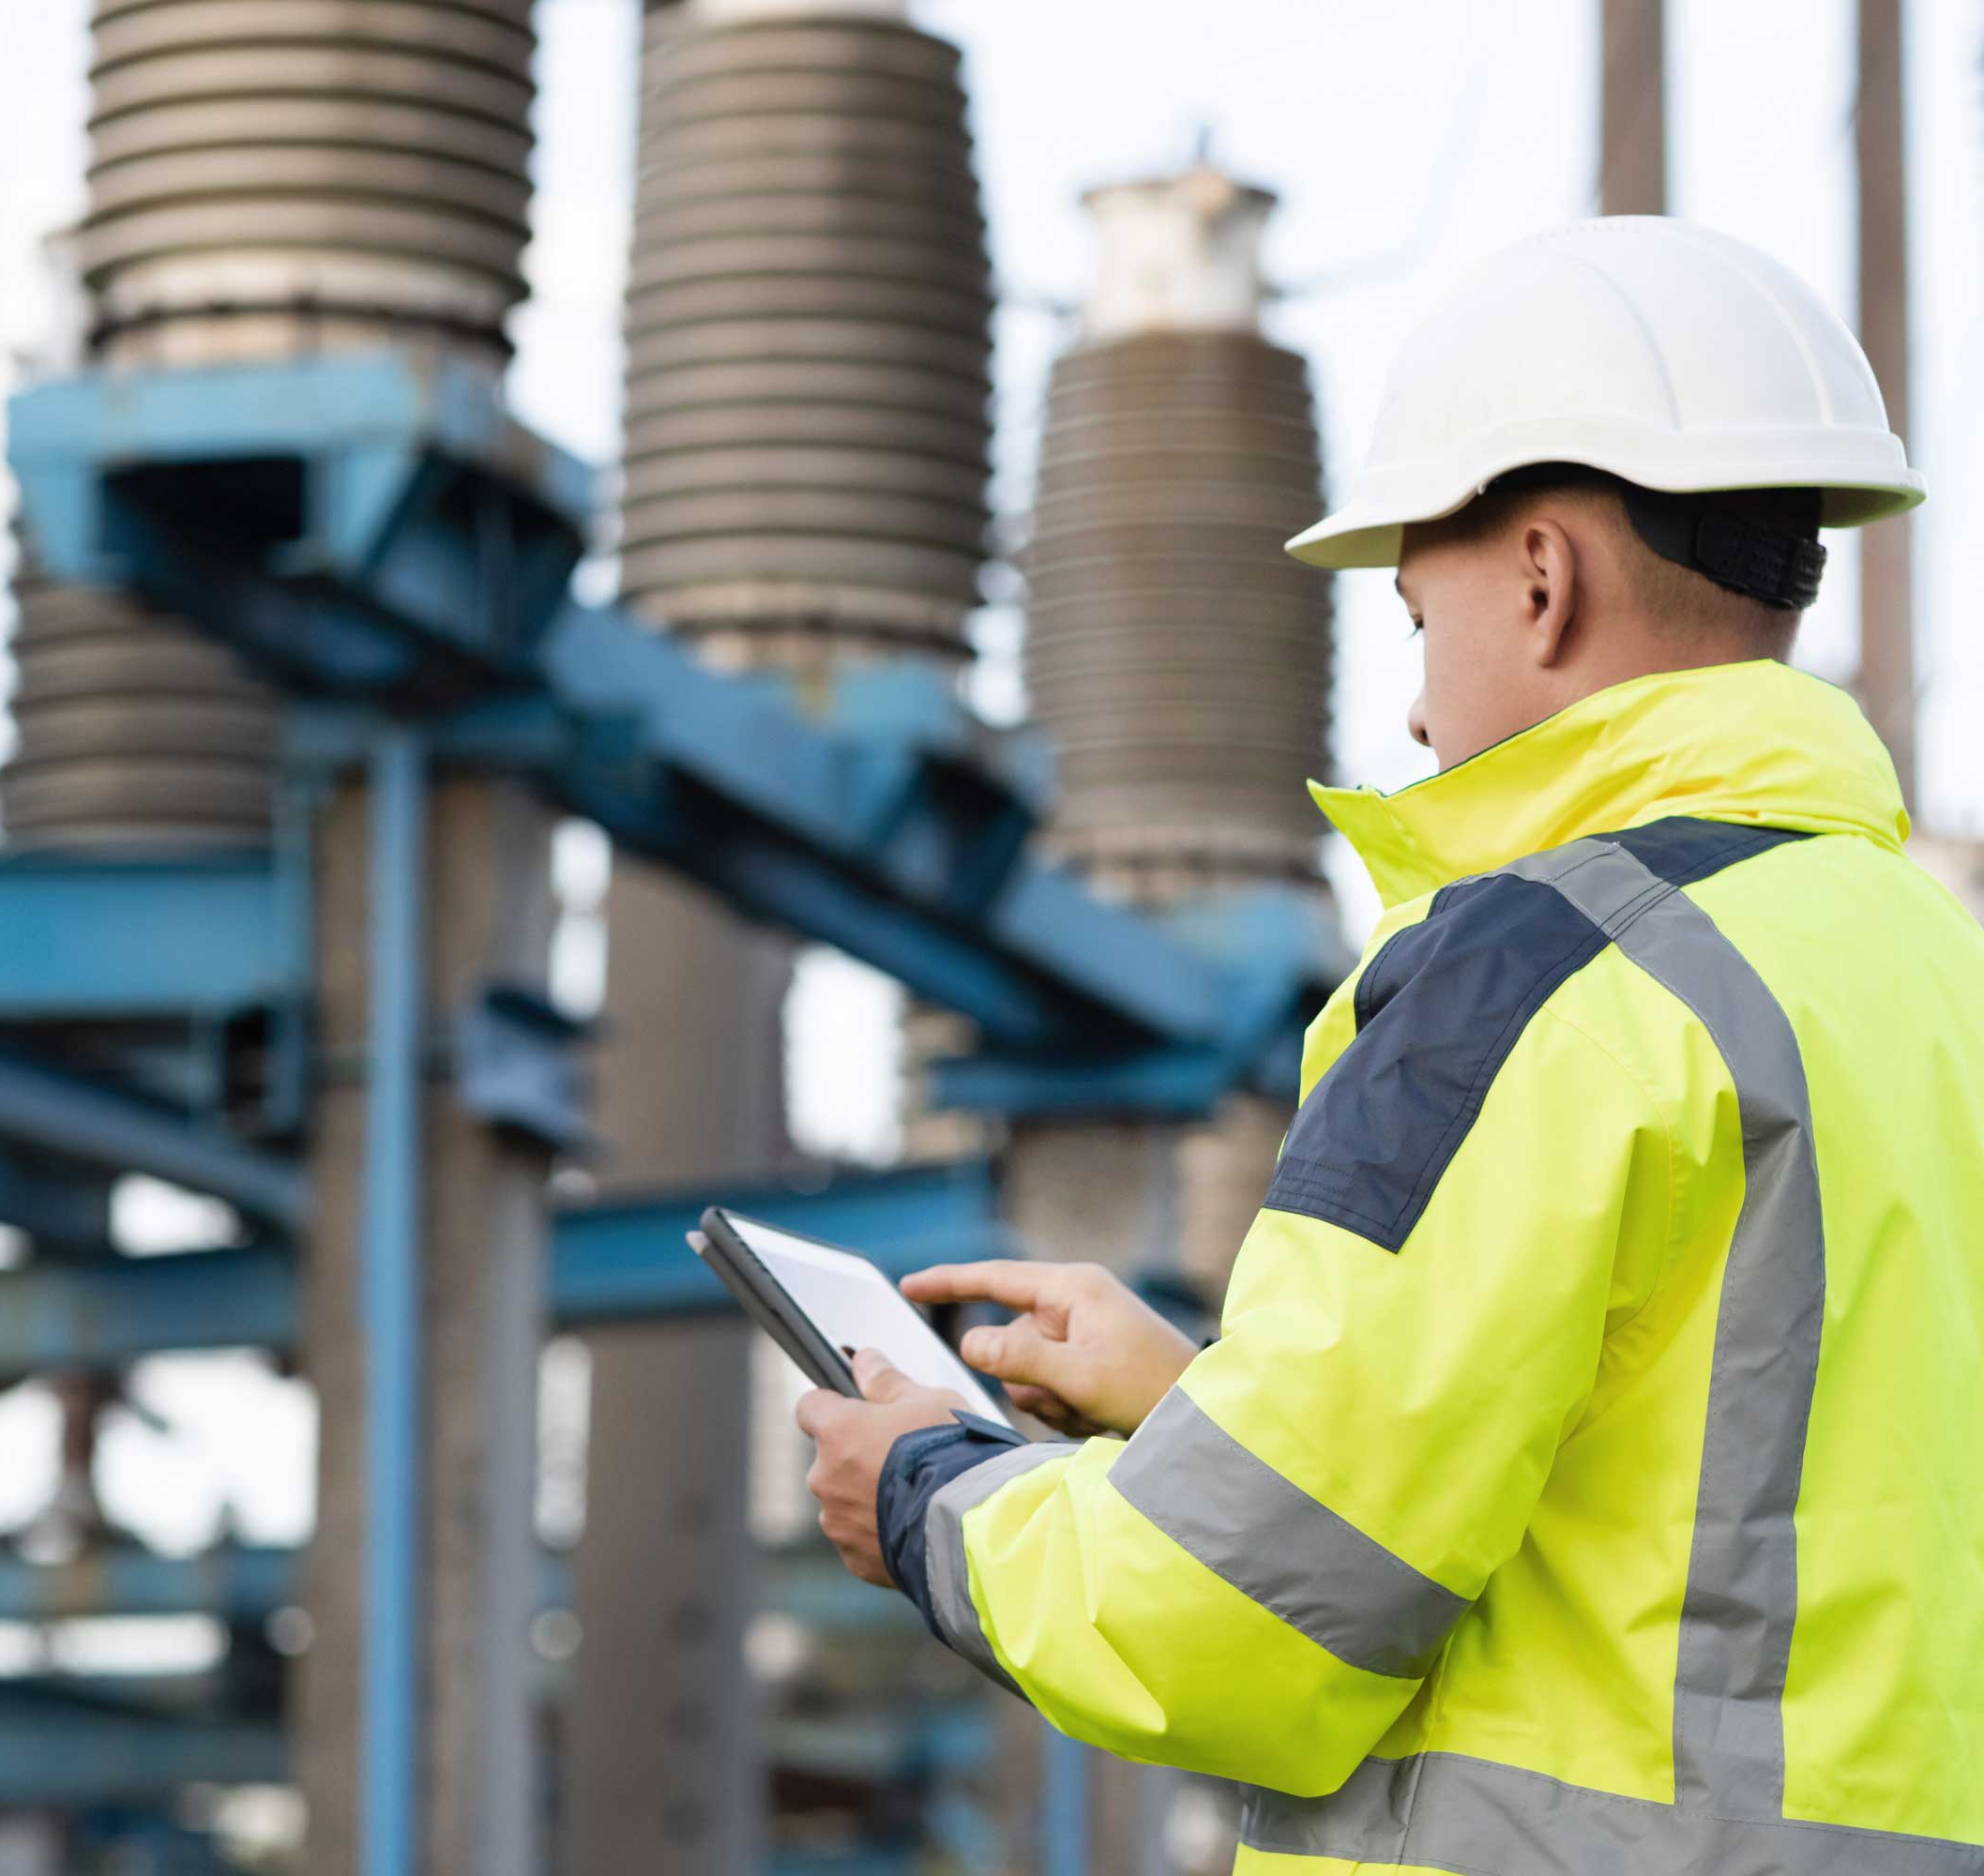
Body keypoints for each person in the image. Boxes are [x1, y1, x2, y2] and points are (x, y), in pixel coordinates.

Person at [795, 216, 1984, 1873]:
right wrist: (1200, 1408)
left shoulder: (1548, 972)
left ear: (1543, 579)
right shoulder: (1931, 964)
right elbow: (1707, 1530)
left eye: (1419, 619)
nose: (1418, 712)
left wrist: (924, 1493)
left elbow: (1218, 1625)